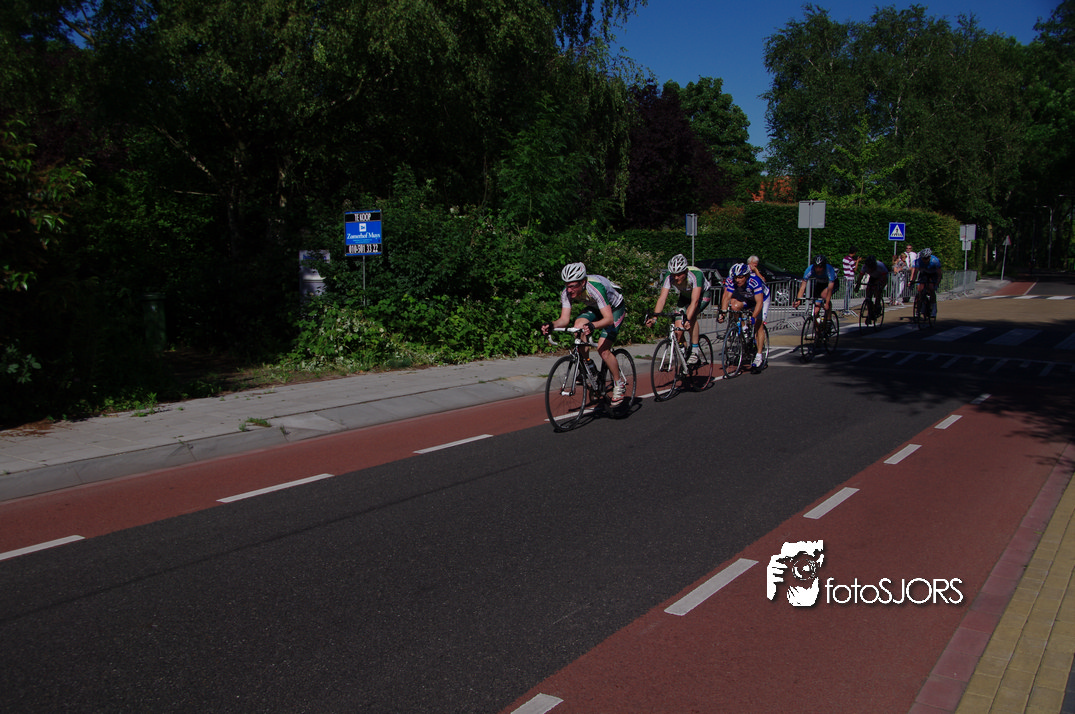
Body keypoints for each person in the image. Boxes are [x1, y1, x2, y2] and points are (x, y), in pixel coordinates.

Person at [541, 262, 629, 404]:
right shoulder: (566, 292)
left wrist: (593, 325)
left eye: (572, 286)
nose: (569, 290)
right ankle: (589, 366)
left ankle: (619, 384)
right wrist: (551, 325)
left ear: (582, 282)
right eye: (566, 285)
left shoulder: (596, 288)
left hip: (614, 309)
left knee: (603, 349)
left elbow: (608, 319)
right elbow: (564, 319)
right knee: (578, 326)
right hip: (595, 307)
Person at [645, 254, 712, 365]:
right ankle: (684, 354)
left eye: (679, 274)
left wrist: (688, 319)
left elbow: (695, 301)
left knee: (691, 315)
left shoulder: (696, 274)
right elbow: (662, 298)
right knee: (678, 330)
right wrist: (655, 318)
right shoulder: (669, 276)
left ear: (685, 271)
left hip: (702, 296)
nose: (676, 277)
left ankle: (695, 351)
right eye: (674, 274)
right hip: (685, 296)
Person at [718, 262, 767, 369]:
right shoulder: (733, 281)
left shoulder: (754, 281)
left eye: (741, 277)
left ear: (746, 276)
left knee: (758, 325)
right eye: (736, 277)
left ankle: (759, 356)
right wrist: (723, 313)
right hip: (747, 298)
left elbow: (759, 303)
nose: (738, 280)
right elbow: (727, 297)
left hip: (761, 299)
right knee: (734, 306)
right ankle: (744, 328)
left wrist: (753, 317)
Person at [855, 255, 889, 324]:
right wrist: (857, 286)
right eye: (869, 267)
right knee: (868, 294)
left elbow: (885, 279)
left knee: (877, 290)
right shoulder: (864, 267)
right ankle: (870, 312)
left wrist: (881, 288)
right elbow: (860, 277)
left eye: (871, 266)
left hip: (881, 277)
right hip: (873, 277)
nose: (870, 268)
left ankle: (878, 305)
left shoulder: (880, 266)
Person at [910, 248, 942, 317]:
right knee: (920, 289)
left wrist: (937, 284)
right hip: (923, 274)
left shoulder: (935, 261)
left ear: (929, 257)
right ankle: (919, 308)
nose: (925, 260)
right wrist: (912, 281)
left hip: (933, 274)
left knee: (931, 289)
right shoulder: (918, 261)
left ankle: (934, 309)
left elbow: (939, 274)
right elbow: (915, 272)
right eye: (923, 258)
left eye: (927, 258)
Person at [841, 247, 860, 315]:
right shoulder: (851, 260)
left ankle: (846, 308)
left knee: (847, 294)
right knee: (848, 294)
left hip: (846, 277)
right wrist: (857, 262)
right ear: (854, 252)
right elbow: (855, 269)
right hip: (850, 278)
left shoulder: (845, 258)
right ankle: (846, 309)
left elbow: (849, 264)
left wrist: (854, 261)